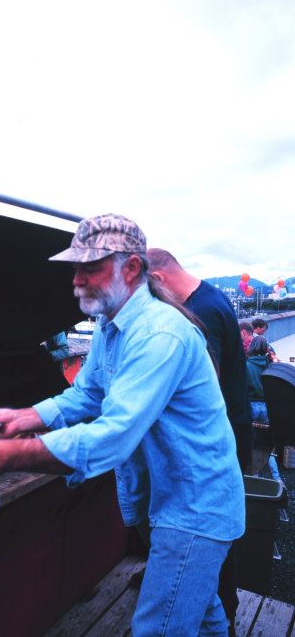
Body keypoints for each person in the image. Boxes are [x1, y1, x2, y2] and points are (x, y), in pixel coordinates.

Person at [0, 214, 245, 637]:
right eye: (75, 268)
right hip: (170, 498)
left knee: (157, 628)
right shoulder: (111, 324)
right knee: (207, 621)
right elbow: (87, 394)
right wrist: (24, 417)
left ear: (131, 268)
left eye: (90, 267)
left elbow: (115, 434)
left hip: (196, 508)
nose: (76, 279)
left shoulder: (161, 334)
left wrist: (10, 456)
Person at [147, 249, 253, 630]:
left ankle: (221, 608)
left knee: (209, 532)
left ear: (157, 278)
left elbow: (199, 387)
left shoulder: (200, 313)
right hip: (236, 429)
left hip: (218, 439)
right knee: (218, 534)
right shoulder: (213, 295)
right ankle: (218, 609)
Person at [246, 335, 281, 481]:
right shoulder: (271, 366)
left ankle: (252, 478)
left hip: (251, 407)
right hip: (267, 409)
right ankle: (277, 480)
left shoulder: (246, 366)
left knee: (249, 445)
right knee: (266, 447)